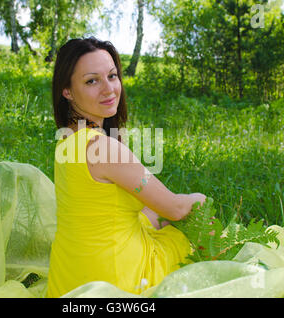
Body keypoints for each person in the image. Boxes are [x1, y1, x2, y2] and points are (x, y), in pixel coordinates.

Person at [46, 37, 207, 298]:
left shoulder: (67, 139)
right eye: (91, 81)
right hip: (116, 282)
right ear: (67, 90)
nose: (108, 89)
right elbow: (176, 209)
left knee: (153, 216)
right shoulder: (103, 149)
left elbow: (122, 203)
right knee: (194, 209)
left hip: (71, 279)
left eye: (111, 76)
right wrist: (198, 199)